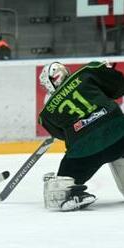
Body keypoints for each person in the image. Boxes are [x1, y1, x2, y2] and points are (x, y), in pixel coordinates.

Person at [39, 61, 124, 211]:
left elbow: (62, 135)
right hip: (119, 135)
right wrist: (108, 72)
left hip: (85, 150)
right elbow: (119, 87)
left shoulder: (47, 113)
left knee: (64, 181)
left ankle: (65, 191)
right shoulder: (88, 72)